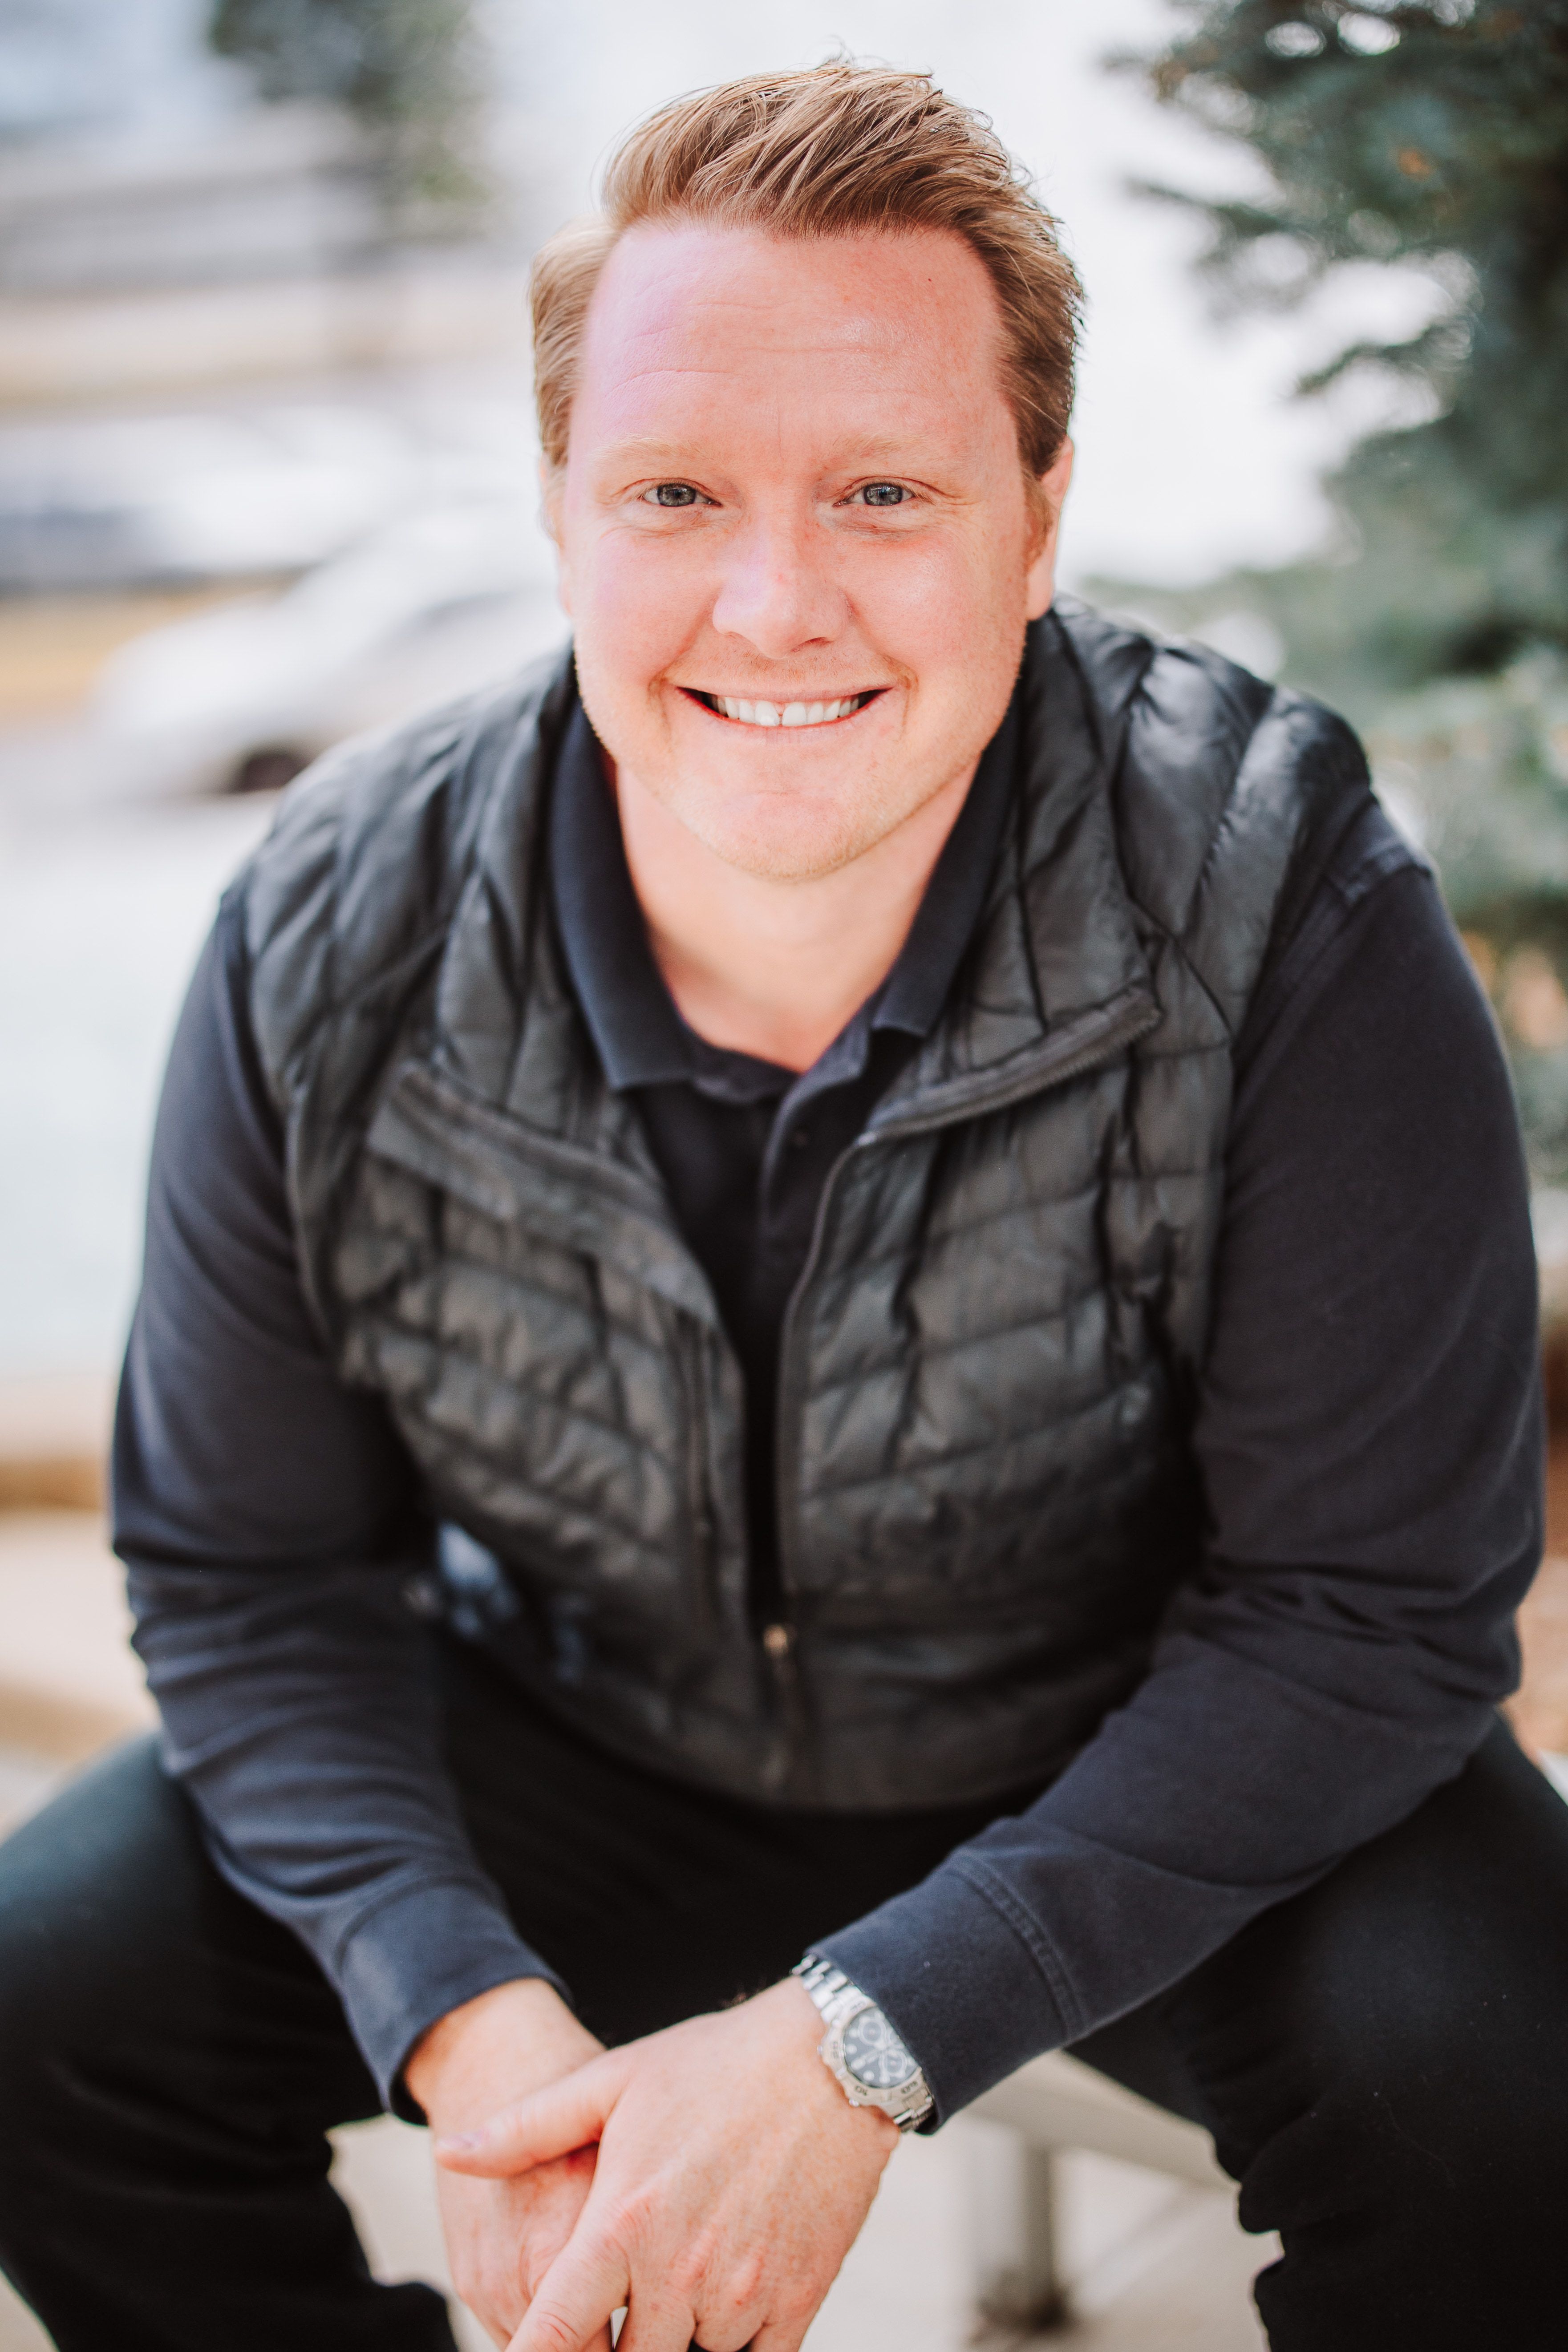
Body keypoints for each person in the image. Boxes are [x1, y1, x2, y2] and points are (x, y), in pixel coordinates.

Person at [1, 59, 1565, 2352]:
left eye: (885, 488)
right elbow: (249, 1577)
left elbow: (1369, 1619)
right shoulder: (331, 927)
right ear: (560, 513)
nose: (773, 596)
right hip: (582, 1732)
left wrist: (864, 2037)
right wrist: (471, 2029)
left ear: (1036, 521)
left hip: (1124, 1743)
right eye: (672, 490)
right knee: (36, 2005)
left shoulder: (1280, 900)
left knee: (1518, 2091)